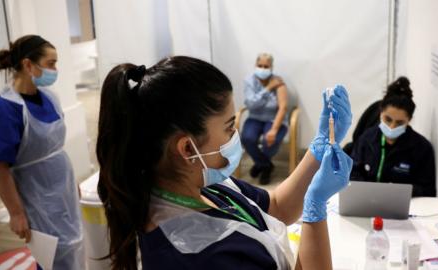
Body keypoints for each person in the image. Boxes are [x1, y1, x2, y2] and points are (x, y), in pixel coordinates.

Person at [96, 56, 353, 270]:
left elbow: (276, 207)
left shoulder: (199, 183)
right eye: (229, 127)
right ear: (187, 148)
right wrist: (315, 209)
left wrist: (318, 148)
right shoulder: (202, 254)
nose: (236, 135)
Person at [0, 35, 84, 269]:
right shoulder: (5, 109)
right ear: (28, 65)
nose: (55, 70)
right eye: (50, 64)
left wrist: (71, 182)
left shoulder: (50, 97)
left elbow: (54, 149)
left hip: (62, 189)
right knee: (53, 255)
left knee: (75, 245)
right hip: (37, 197)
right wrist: (16, 213)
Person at [350, 76, 436, 197]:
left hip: (403, 207)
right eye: (388, 119)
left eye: (399, 122)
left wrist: (397, 191)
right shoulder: (367, 138)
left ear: (409, 120)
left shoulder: (422, 148)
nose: (392, 126)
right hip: (366, 201)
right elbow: (352, 172)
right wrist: (367, 190)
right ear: (381, 113)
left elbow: (428, 190)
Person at [241, 53, 288, 184]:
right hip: (255, 117)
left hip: (274, 119)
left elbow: (283, 107)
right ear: (255, 65)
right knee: (247, 138)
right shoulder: (249, 80)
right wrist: (268, 88)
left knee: (270, 141)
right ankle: (266, 165)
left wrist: (273, 130)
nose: (262, 68)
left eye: (266, 66)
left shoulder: (278, 81)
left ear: (271, 67)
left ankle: (260, 164)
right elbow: (251, 104)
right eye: (259, 65)